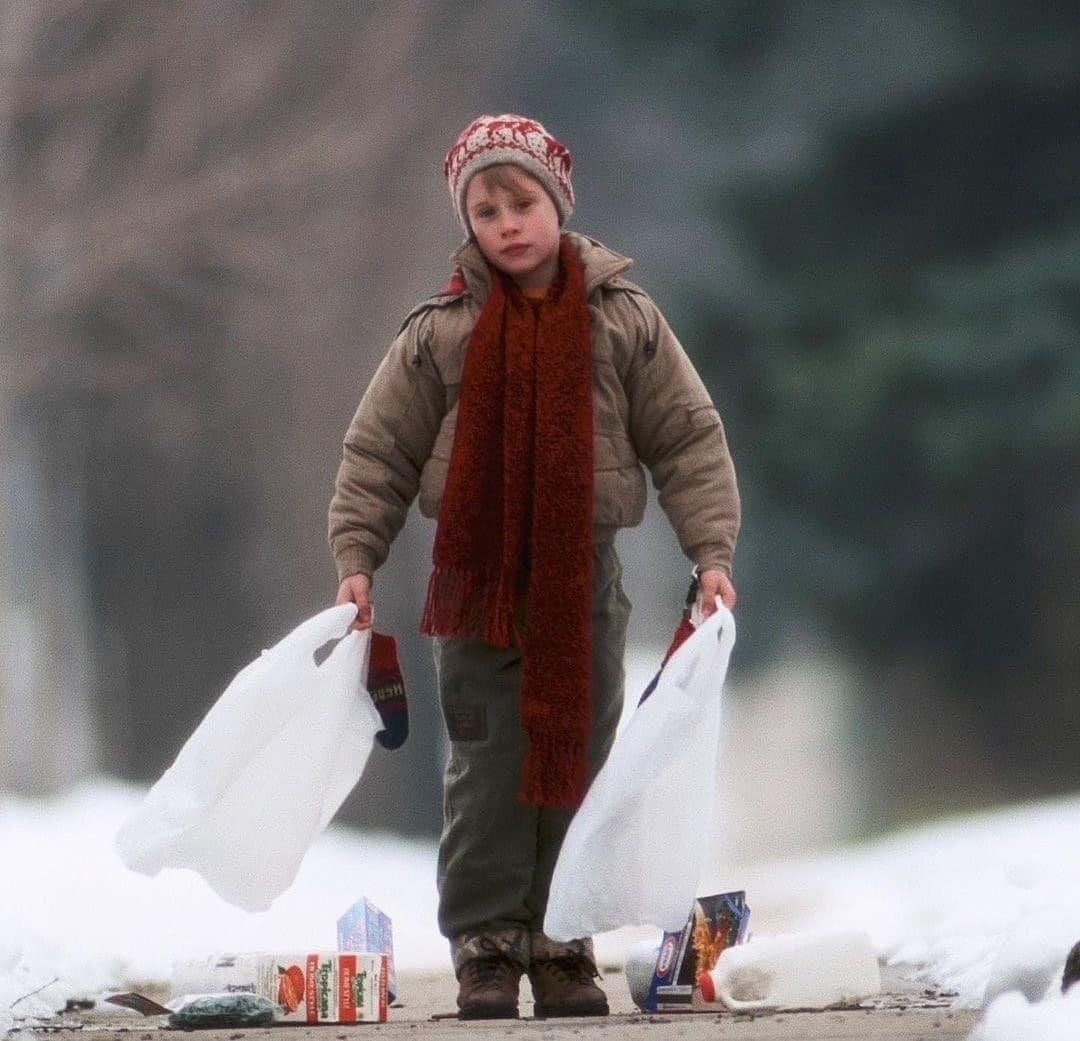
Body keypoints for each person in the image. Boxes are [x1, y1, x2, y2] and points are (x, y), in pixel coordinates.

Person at [328, 113, 740, 1020]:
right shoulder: (441, 332)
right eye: (487, 211)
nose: (508, 224)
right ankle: (485, 945)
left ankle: (561, 946)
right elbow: (378, 451)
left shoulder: (623, 319)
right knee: (485, 763)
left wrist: (710, 552)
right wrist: (358, 556)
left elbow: (686, 437)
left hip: (583, 581)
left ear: (560, 202)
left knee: (578, 755)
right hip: (476, 583)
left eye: (523, 203)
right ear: (467, 223)